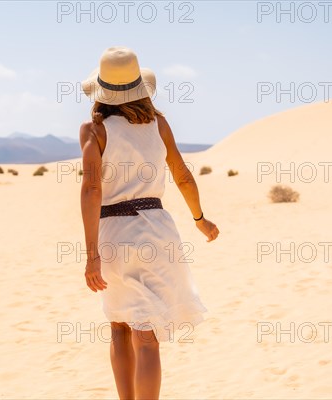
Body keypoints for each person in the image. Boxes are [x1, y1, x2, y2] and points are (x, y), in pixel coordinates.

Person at [79, 46, 219, 400]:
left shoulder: (94, 131)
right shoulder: (159, 124)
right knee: (148, 335)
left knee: (119, 326)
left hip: (115, 232)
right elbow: (183, 176)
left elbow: (92, 189)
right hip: (158, 231)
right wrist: (200, 219)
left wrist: (92, 254)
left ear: (101, 92)